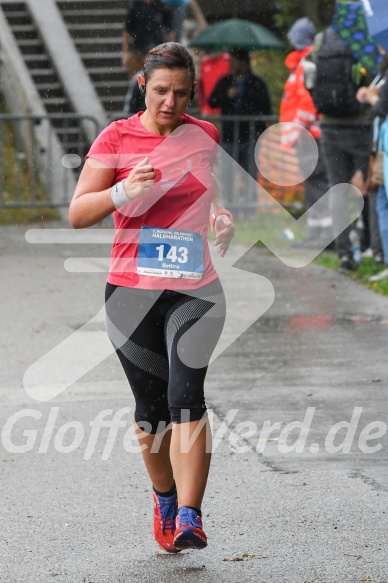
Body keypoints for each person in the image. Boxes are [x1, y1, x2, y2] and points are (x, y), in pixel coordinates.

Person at [69, 42, 235, 553]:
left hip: (195, 289)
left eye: (182, 93)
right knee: (151, 411)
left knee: (188, 398)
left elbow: (210, 191)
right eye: (162, 91)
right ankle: (164, 498)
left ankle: (191, 514)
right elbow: (78, 213)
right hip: (131, 294)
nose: (171, 102)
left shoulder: (203, 133)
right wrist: (124, 193)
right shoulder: (116, 137)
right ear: (144, 85)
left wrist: (220, 215)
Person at [310, 0, 382, 272]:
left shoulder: (323, 38)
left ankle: (343, 254)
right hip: (362, 124)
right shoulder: (367, 39)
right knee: (368, 188)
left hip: (330, 125)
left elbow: (312, 77)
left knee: (337, 189)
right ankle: (367, 246)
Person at [280, 17, 332, 248]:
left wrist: (295, 131)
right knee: (315, 185)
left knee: (318, 184)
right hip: (309, 135)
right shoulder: (304, 63)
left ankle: (322, 236)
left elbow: (308, 104)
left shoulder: (306, 64)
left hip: (310, 136)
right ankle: (319, 234)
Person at [208, 48, 272, 217]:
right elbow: (212, 100)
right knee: (227, 175)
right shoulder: (225, 82)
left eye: (236, 62)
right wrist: (227, 95)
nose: (232, 66)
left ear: (244, 63)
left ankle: (249, 210)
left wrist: (260, 131)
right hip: (229, 136)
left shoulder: (257, 84)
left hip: (249, 137)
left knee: (250, 174)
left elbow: (265, 109)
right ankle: (229, 208)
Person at [358, 51, 388, 280]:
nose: (380, 49)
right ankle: (383, 256)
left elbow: (382, 107)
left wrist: (374, 98)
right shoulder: (381, 72)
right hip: (380, 146)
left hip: (384, 146)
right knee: (379, 201)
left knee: (382, 202)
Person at [122, 0, 174, 80]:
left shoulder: (162, 7)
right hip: (138, 49)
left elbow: (170, 30)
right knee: (135, 81)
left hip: (157, 51)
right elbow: (126, 30)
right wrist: (125, 52)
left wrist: (171, 52)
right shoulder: (135, 6)